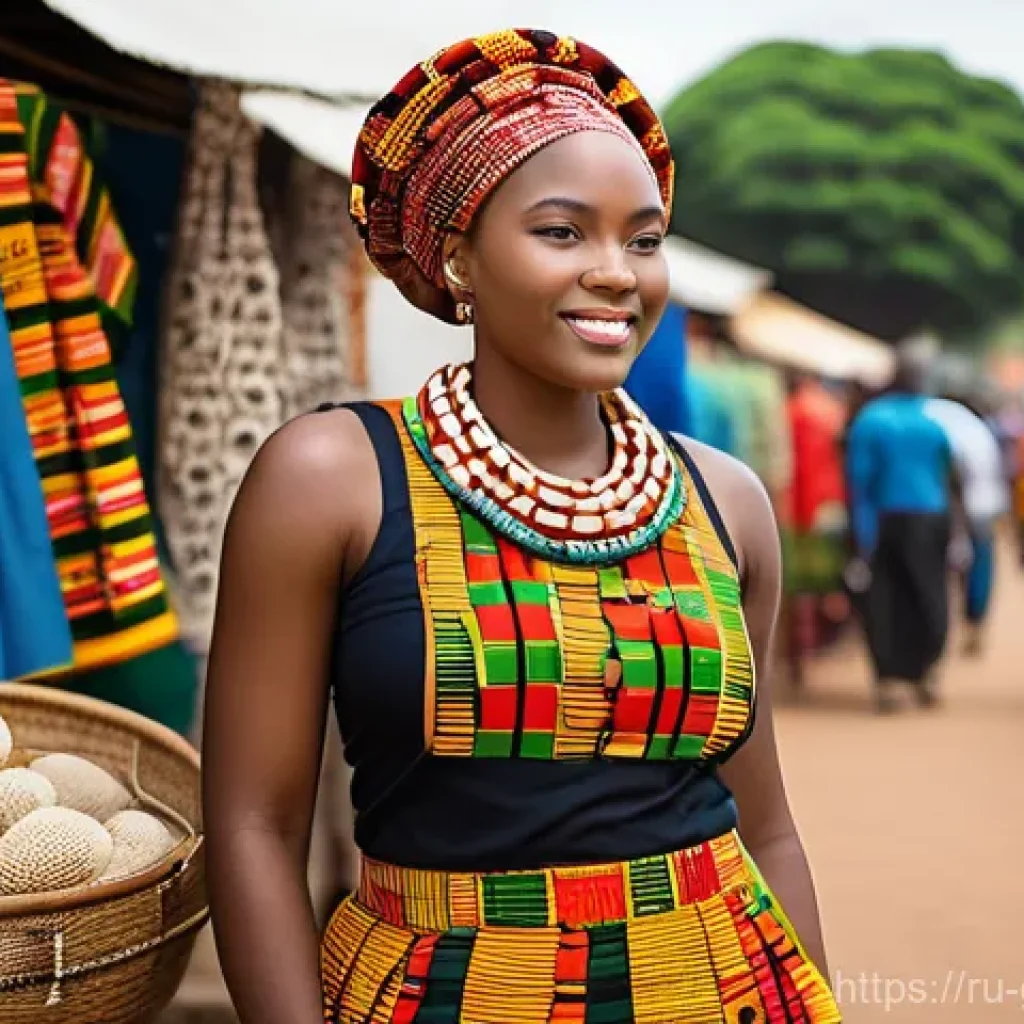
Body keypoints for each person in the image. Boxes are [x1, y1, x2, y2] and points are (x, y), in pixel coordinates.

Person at [201, 29, 841, 1023]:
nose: (617, 272)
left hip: (723, 984)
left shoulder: (725, 499)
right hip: (439, 994)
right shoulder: (332, 480)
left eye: (643, 237)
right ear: (459, 252)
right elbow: (253, 821)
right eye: (561, 231)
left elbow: (768, 825)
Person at [845, 353, 959, 712]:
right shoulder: (934, 422)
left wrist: (862, 537)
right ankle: (926, 671)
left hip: (888, 519)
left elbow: (859, 484)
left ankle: (891, 679)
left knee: (884, 600)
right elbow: (950, 478)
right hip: (931, 518)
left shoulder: (872, 420)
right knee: (930, 594)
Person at [924, 395, 1009, 655]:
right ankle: (973, 623)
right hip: (976, 509)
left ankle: (950, 630)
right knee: (977, 570)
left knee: (943, 574)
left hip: (953, 511)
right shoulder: (974, 430)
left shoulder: (940, 420)